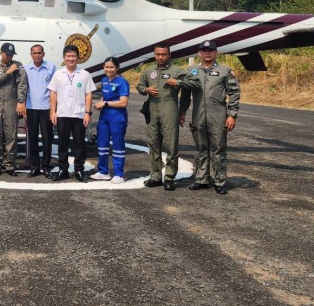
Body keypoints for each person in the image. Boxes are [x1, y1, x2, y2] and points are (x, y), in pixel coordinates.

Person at [180, 40, 241, 195]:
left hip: (218, 115)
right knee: (201, 148)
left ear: (216, 52)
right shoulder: (191, 71)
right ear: (199, 53)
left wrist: (232, 115)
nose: (207, 53)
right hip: (197, 115)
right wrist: (182, 112)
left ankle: (220, 181)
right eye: (204, 50)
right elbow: (185, 94)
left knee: (218, 148)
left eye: (210, 50)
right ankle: (201, 179)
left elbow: (234, 93)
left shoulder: (225, 71)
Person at [136, 43, 198, 191]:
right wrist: (146, 90)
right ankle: (155, 176)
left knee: (171, 145)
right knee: (153, 143)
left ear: (169, 55)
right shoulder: (148, 71)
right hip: (152, 111)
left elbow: (195, 83)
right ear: (154, 54)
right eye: (158, 54)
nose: (160, 57)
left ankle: (169, 177)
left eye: (163, 54)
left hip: (169, 110)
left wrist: (178, 82)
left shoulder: (176, 70)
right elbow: (139, 87)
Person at [47, 45, 96, 181]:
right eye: (68, 56)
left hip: (79, 114)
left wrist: (87, 113)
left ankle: (79, 170)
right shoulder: (58, 74)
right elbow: (53, 93)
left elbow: (88, 94)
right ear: (64, 58)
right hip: (62, 114)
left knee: (79, 144)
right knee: (62, 144)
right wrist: (53, 111)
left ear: (78, 58)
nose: (71, 59)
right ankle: (63, 170)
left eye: (73, 56)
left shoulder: (84, 74)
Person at [0, 42, 28, 176]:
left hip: (11, 102)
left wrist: (21, 101)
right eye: (7, 54)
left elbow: (22, 84)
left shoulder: (18, 65)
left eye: (11, 55)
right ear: (1, 53)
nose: (10, 57)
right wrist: (8, 73)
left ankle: (9, 163)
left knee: (11, 134)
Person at [91, 57, 129, 183]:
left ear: (117, 68)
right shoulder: (104, 80)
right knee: (102, 144)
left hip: (117, 117)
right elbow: (105, 97)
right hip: (104, 117)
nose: (109, 69)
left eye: (112, 67)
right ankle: (103, 171)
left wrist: (105, 103)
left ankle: (119, 174)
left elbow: (123, 102)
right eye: (106, 67)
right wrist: (99, 103)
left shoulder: (122, 82)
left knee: (117, 144)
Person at [23, 45, 56, 178]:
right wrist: (23, 105)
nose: (37, 55)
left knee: (47, 138)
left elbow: (55, 89)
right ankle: (35, 166)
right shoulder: (26, 68)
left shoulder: (51, 67)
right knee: (33, 138)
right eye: (34, 53)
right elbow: (23, 88)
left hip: (46, 108)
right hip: (31, 108)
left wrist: (54, 109)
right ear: (31, 54)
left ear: (43, 54)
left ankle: (47, 166)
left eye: (39, 53)